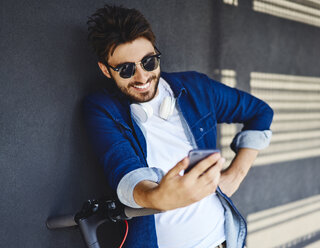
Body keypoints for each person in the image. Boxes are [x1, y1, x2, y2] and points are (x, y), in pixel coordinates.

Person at [84, 4, 273, 248]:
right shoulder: (101, 109)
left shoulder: (197, 87)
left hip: (226, 241)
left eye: (149, 62)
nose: (142, 77)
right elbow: (124, 173)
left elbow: (260, 112)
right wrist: (157, 197)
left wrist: (235, 174)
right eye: (126, 69)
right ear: (106, 70)